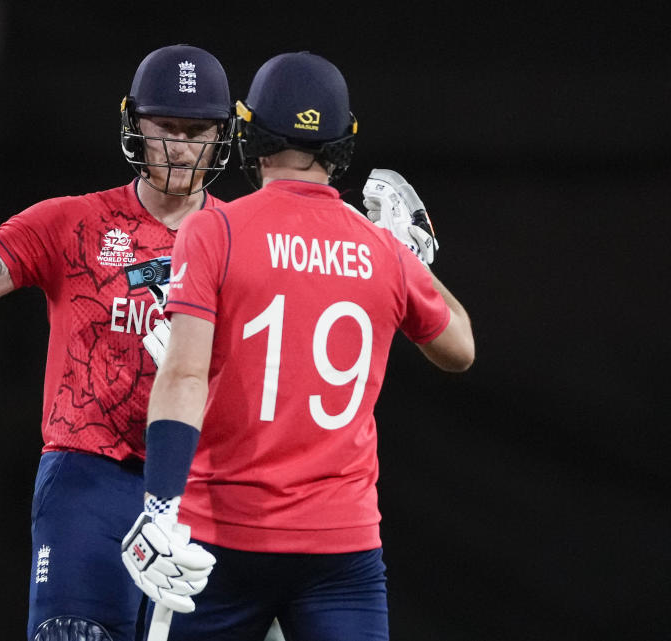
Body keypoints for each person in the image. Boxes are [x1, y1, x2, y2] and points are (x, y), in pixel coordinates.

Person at [0, 44, 235, 641]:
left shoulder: (244, 239)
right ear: (136, 125)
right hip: (90, 478)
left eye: (197, 129)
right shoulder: (72, 223)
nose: (180, 146)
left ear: (222, 134)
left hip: (203, 484)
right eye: (165, 127)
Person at [121, 51, 475, 640]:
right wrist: (406, 255)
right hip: (341, 548)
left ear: (249, 130)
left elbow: (182, 377)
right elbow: (460, 347)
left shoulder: (216, 229)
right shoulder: (380, 250)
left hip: (223, 533)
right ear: (342, 142)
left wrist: (160, 504)